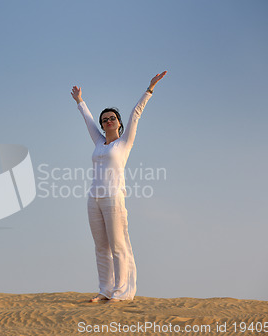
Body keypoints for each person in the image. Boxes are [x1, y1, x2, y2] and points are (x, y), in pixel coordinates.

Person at [70, 71, 167, 303]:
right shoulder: (98, 141)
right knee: (100, 247)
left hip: (114, 198)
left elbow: (136, 114)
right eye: (104, 120)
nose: (107, 121)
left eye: (112, 118)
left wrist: (150, 89)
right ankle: (104, 290)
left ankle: (121, 292)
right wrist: (80, 101)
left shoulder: (124, 143)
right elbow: (88, 120)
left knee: (118, 246)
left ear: (119, 123)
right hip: (94, 198)